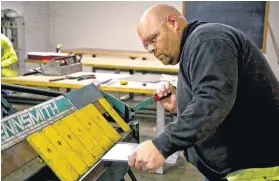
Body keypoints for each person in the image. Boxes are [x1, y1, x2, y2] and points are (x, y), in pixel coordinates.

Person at [128, 4, 279, 181]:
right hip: (233, 169)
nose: (152, 49)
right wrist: (180, 104)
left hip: (251, 170)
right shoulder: (195, 45)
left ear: (172, 22)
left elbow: (214, 101)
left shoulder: (207, 39)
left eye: (153, 39)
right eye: (146, 46)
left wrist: (162, 144)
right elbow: (219, 96)